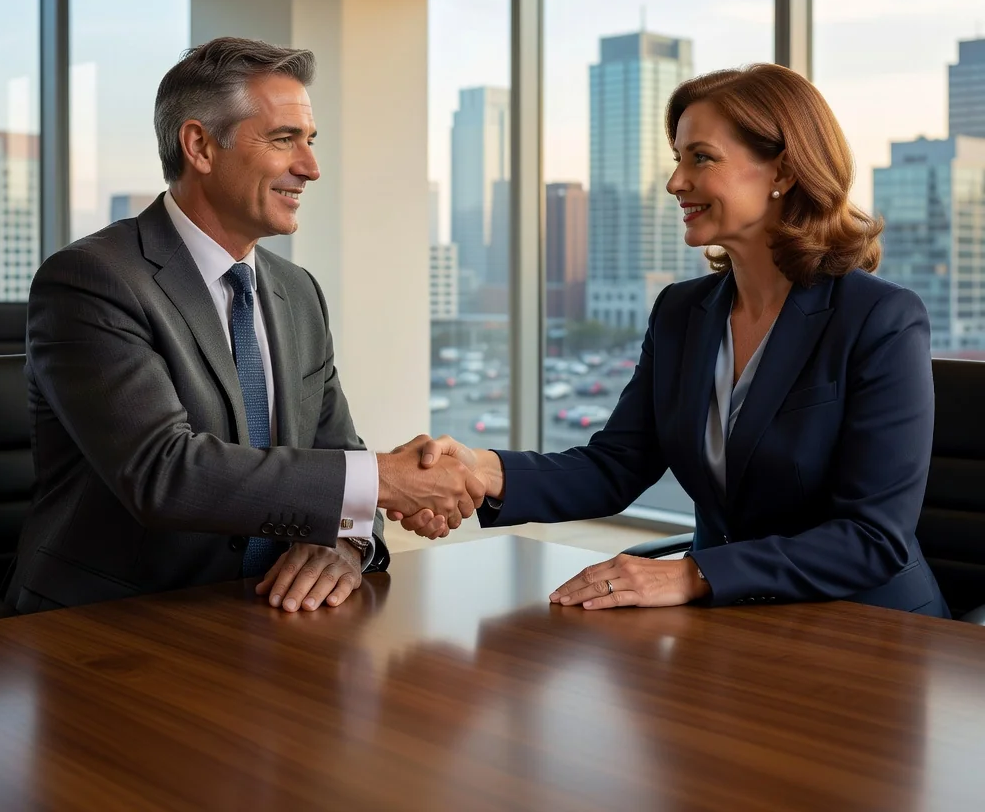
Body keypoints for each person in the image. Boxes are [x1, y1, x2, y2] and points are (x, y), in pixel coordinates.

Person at [400, 64, 949, 618]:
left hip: (867, 630)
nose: (675, 182)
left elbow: (872, 538)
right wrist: (481, 469)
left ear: (782, 167)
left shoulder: (880, 318)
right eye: (677, 159)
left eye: (700, 158)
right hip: (731, 630)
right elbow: (617, 465)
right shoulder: (682, 311)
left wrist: (693, 572)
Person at [7, 37, 483, 615]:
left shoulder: (298, 292)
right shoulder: (91, 280)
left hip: (265, 623)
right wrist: (383, 479)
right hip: (113, 629)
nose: (310, 167)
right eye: (284, 140)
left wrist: (346, 541)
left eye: (309, 142)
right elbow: (165, 473)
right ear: (201, 146)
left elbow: (338, 455)